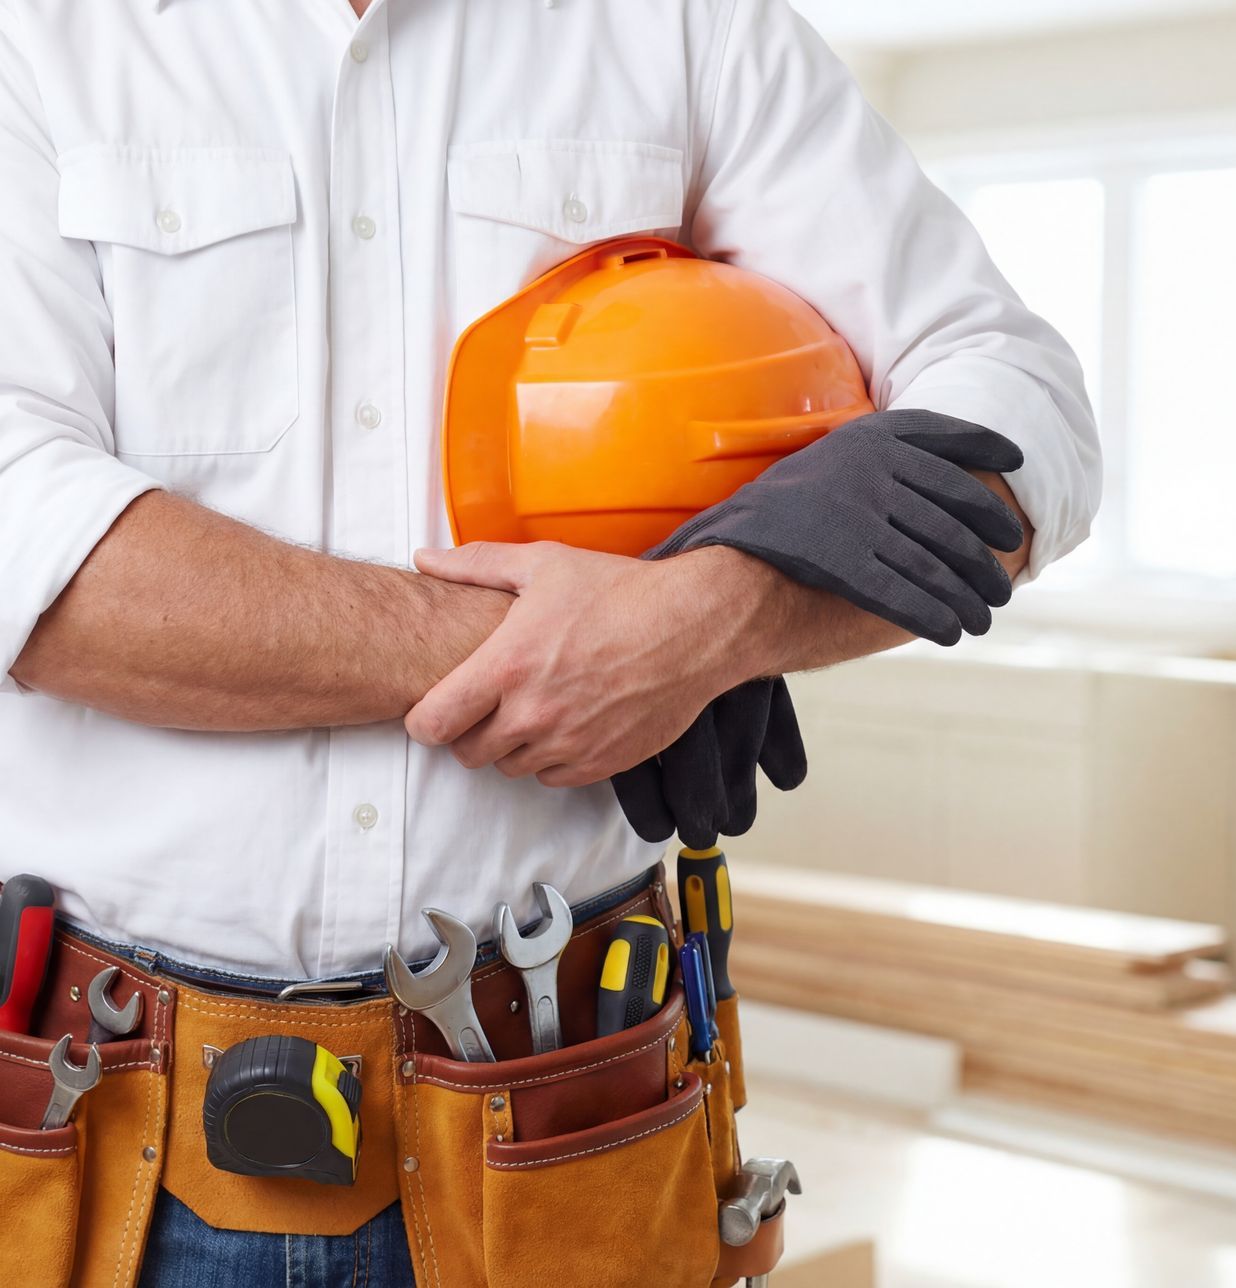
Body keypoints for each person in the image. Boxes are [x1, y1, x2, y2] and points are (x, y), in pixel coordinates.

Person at [0, 1, 1098, 1283]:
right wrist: (587, 650)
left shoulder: (676, 26)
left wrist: (715, 613)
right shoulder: (38, 37)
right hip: (117, 1124)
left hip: (576, 1112)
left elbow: (1024, 412)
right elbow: (34, 544)